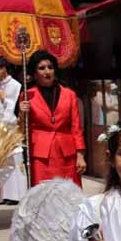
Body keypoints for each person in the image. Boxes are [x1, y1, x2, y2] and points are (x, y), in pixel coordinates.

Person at [17, 50, 86, 186]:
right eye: (41, 68)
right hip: (40, 155)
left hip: (67, 154)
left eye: (50, 67)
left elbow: (76, 127)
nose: (47, 71)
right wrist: (22, 113)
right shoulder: (27, 95)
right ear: (35, 74)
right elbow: (22, 131)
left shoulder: (69, 94)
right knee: (43, 194)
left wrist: (80, 155)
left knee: (69, 194)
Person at [0, 57, 25, 203]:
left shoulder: (16, 85)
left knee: (13, 161)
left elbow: (14, 110)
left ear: (4, 68)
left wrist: (5, 100)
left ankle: (16, 195)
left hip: (10, 130)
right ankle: (4, 194)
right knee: (0, 163)